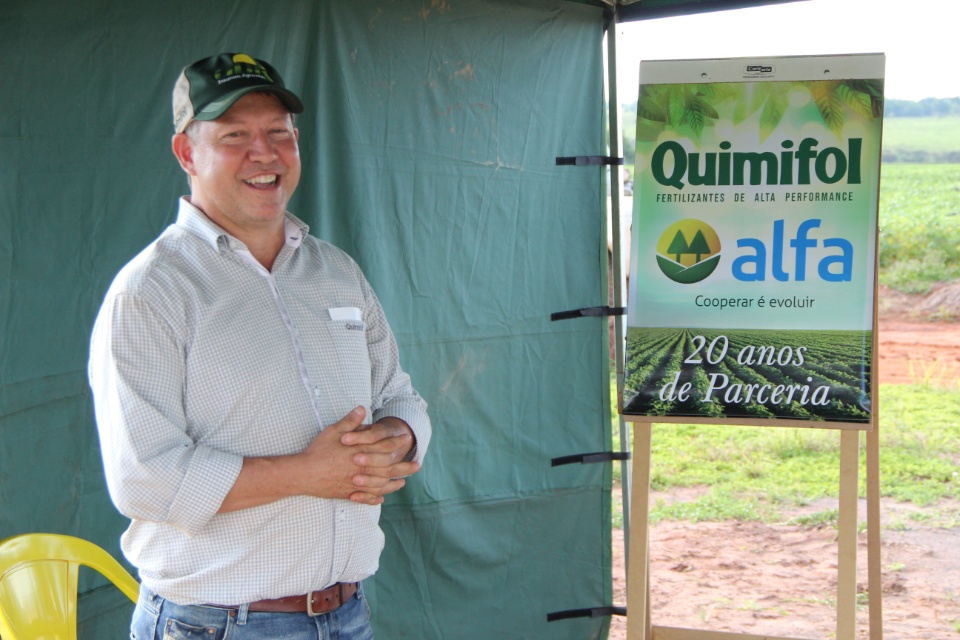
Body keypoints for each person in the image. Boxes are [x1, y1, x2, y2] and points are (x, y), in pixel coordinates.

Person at [88, 52, 431, 639]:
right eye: (235, 136)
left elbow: (400, 395)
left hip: (347, 616)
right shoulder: (151, 292)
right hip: (217, 626)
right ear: (186, 154)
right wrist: (307, 473)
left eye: (279, 133)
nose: (264, 153)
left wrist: (396, 438)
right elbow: (143, 478)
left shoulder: (337, 272)